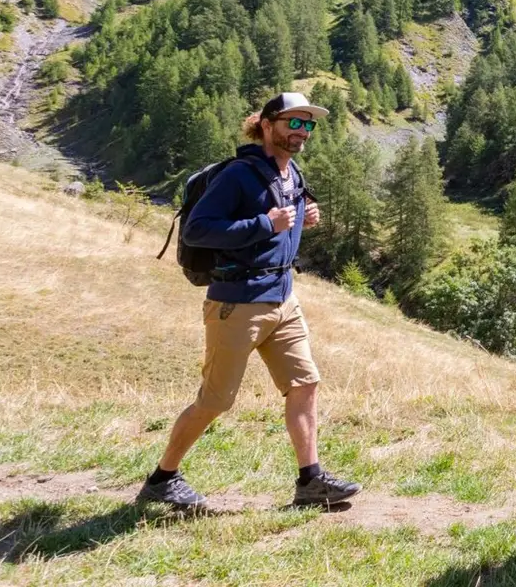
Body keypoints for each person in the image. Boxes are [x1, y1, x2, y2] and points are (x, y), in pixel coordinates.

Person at [136, 91, 361, 512]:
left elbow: (281, 228)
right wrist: (265, 223)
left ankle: (310, 482)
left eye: (308, 125)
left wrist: (304, 218)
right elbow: (198, 230)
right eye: (294, 123)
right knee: (216, 400)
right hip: (238, 303)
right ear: (267, 124)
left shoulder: (290, 173)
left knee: (304, 383)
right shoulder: (238, 175)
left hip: (283, 299)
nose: (302, 132)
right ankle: (162, 479)